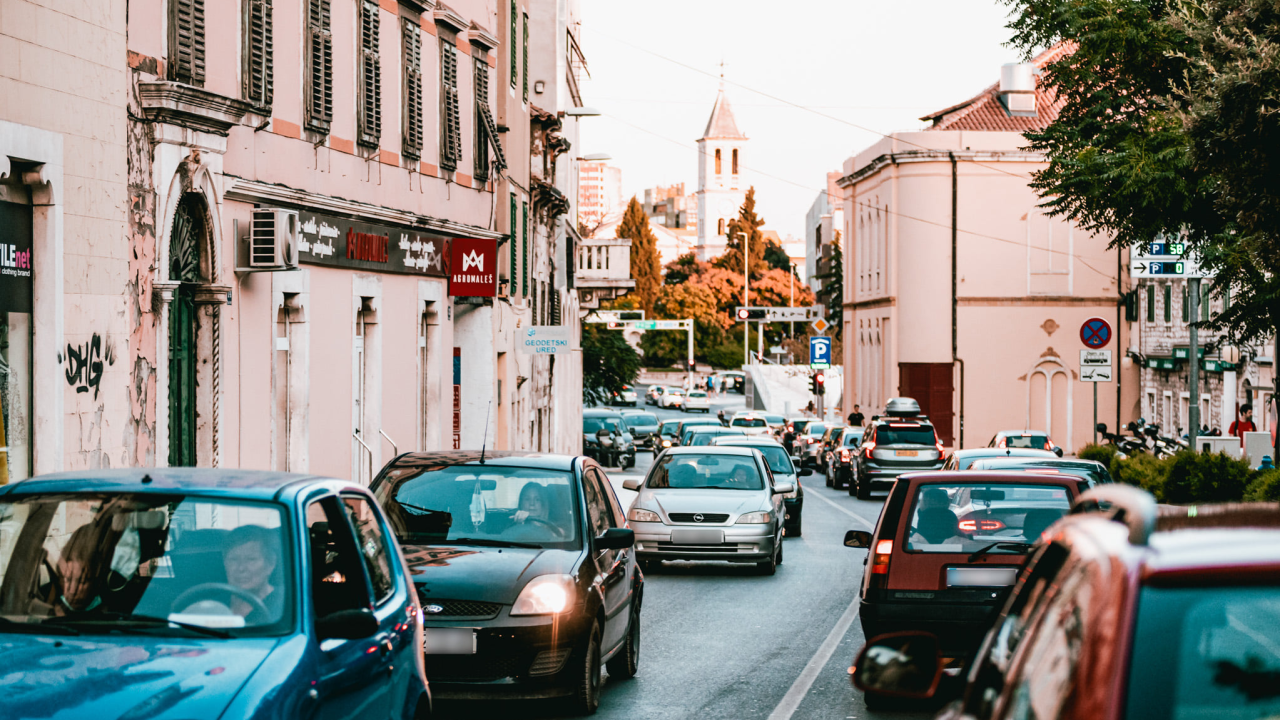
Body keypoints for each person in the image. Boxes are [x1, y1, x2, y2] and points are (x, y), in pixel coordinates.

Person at [222, 525, 284, 624]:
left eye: (251, 559)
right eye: (233, 559)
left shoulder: (285, 606)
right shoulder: (212, 604)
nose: (241, 568)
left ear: (271, 564)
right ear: (225, 563)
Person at [47, 525, 114, 616]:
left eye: (82, 581)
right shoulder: (51, 609)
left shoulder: (109, 616)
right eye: (68, 579)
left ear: (96, 581)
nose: (72, 591)